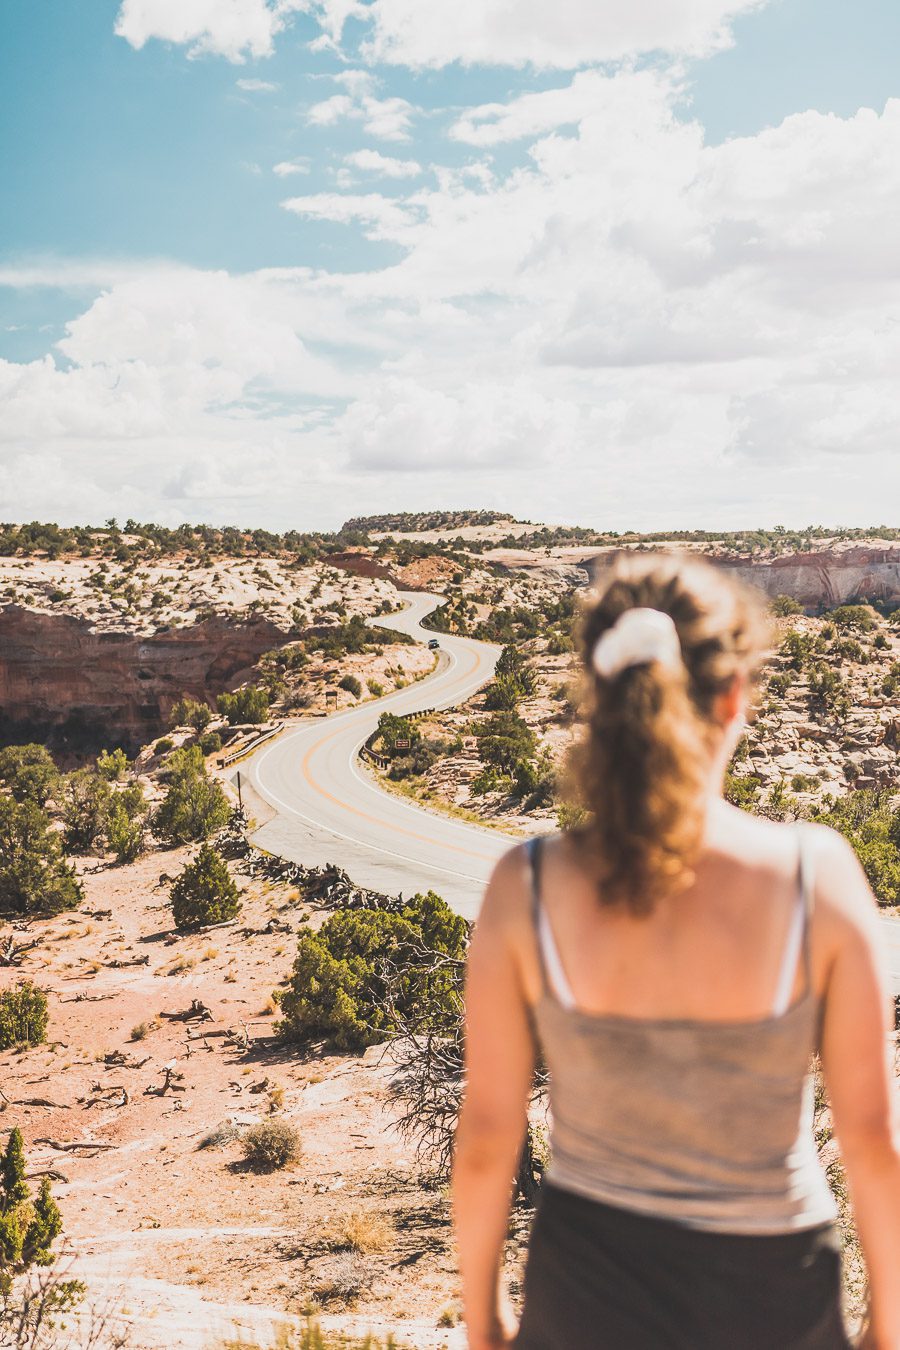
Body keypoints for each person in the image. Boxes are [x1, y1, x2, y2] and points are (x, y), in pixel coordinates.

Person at [452, 552, 900, 1350]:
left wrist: (484, 1322)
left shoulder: (525, 885)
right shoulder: (813, 876)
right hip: (773, 1296)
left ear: (599, 695)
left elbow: (489, 1135)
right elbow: (872, 1141)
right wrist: (888, 1328)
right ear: (735, 697)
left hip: (585, 1291)